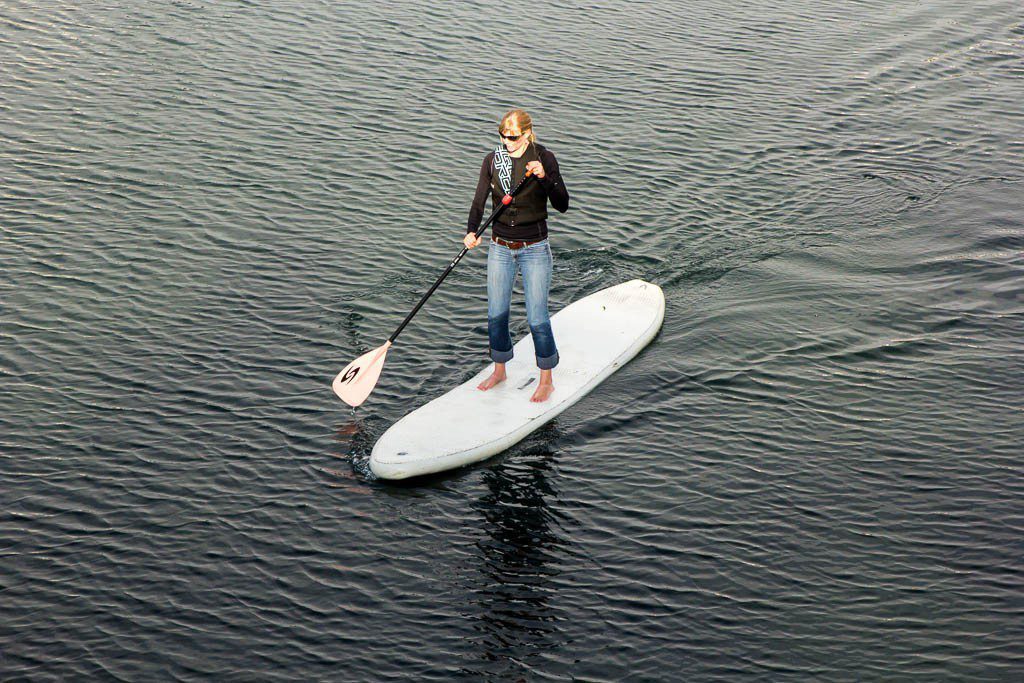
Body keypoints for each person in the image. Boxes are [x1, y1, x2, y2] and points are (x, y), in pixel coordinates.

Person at [464, 109, 570, 403]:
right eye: (502, 136)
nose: (506, 141)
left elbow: (562, 204)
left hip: (534, 248)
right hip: (499, 247)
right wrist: (472, 231)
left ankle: (546, 379)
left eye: (512, 137)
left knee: (537, 318)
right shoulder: (493, 160)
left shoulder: (543, 158)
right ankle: (500, 369)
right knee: (496, 314)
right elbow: (478, 201)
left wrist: (545, 178)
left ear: (526, 134)